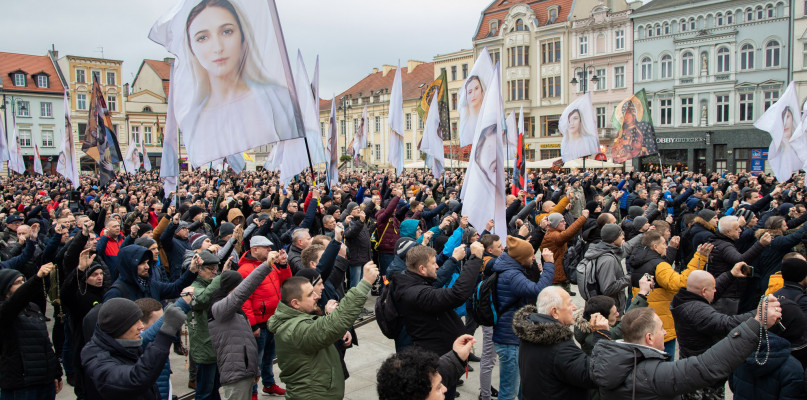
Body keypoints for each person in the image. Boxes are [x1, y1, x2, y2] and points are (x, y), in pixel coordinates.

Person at [590, 297, 782, 400]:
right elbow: (705, 367)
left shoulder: (608, 358)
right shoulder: (653, 375)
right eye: (661, 329)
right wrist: (756, 324)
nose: (665, 333)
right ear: (649, 338)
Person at [180, 0, 297, 165]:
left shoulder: (278, 98)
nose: (218, 47)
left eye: (227, 31)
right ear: (192, 48)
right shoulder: (192, 120)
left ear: (242, 36)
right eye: (203, 37)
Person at [267, 261, 379, 399]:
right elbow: (332, 325)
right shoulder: (294, 330)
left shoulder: (297, 319)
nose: (317, 296)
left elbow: (321, 329)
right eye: (309, 294)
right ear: (295, 303)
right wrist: (364, 284)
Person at [670, 266, 754, 400]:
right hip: (703, 378)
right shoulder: (696, 311)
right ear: (703, 291)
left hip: (691, 368)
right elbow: (726, 323)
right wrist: (760, 314)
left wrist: (730, 274)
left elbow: (710, 291)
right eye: (712, 288)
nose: (716, 290)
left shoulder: (684, 298)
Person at [512, 286, 610, 400]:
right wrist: (602, 335)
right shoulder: (559, 348)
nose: (574, 307)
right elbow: (595, 373)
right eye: (569, 304)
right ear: (554, 312)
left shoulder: (531, 333)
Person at [81, 298, 187, 400]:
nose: (141, 326)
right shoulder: (97, 359)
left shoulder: (125, 344)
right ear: (120, 327)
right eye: (135, 322)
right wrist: (167, 331)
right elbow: (134, 380)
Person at [628, 233, 712, 358]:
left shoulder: (638, 262)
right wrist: (699, 259)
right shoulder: (659, 265)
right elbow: (681, 283)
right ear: (655, 246)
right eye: (664, 244)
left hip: (644, 320)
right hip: (661, 324)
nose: (666, 247)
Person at [492, 238, 555, 400]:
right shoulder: (512, 275)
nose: (533, 258)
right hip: (509, 339)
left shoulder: (511, 269)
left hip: (511, 336)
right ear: (520, 258)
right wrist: (549, 265)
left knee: (521, 387)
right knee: (508, 392)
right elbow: (539, 290)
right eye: (531, 256)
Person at [208, 256, 276, 400]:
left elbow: (246, 342)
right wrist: (265, 266)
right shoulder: (220, 309)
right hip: (235, 376)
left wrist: (255, 370)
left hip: (245, 372)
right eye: (238, 286)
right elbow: (242, 292)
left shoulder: (236, 311)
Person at [0, 263, 63, 399]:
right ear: (5, 289)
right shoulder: (5, 312)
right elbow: (15, 303)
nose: (22, 284)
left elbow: (45, 343)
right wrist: (35, 279)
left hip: (44, 381)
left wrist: (55, 372)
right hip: (22, 385)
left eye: (23, 280)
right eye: (17, 282)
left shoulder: (33, 308)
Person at [237, 236, 290, 397]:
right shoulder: (245, 271)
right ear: (254, 249)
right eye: (265, 247)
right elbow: (244, 300)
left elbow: (286, 282)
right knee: (255, 361)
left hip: (272, 321)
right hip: (259, 324)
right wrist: (252, 325)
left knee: (269, 357)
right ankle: (252, 391)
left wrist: (283, 265)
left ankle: (269, 384)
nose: (269, 250)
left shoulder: (270, 265)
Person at [376, 335, 475, 400]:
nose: (445, 389)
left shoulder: (424, 382)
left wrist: (456, 356)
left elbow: (441, 372)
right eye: (438, 388)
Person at [188, 251, 225, 400]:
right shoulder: (192, 287)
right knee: (205, 391)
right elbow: (202, 299)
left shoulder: (211, 284)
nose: (215, 272)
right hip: (204, 346)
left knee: (215, 387)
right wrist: (219, 280)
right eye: (211, 269)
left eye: (216, 268)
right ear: (199, 269)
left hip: (215, 344)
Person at [104, 244, 199, 302]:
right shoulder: (116, 293)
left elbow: (175, 288)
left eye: (147, 262)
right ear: (129, 265)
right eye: (141, 263)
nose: (147, 267)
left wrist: (191, 271)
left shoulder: (151, 285)